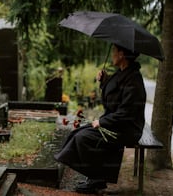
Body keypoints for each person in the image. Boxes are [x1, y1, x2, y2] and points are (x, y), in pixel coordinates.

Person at [54, 44, 146, 194]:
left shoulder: (134, 79)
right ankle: (95, 177)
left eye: (115, 52)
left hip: (128, 128)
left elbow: (126, 112)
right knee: (78, 133)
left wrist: (102, 122)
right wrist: (104, 81)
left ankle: (97, 180)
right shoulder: (123, 73)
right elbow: (115, 97)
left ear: (122, 54)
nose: (112, 55)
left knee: (85, 138)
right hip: (118, 124)